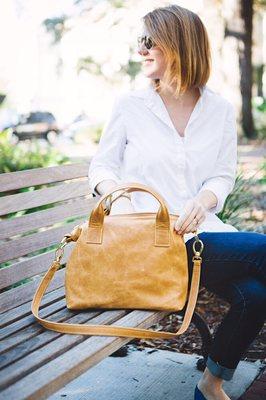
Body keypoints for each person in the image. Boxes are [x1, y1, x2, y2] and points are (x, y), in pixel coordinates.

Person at [88, 4, 266, 400]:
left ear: (178, 45)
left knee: (255, 295)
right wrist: (118, 202)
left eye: (149, 41)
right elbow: (101, 168)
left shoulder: (218, 109)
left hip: (202, 235)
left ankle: (211, 383)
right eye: (141, 42)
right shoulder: (130, 106)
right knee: (263, 251)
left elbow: (222, 173)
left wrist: (205, 200)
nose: (141, 50)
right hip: (149, 245)